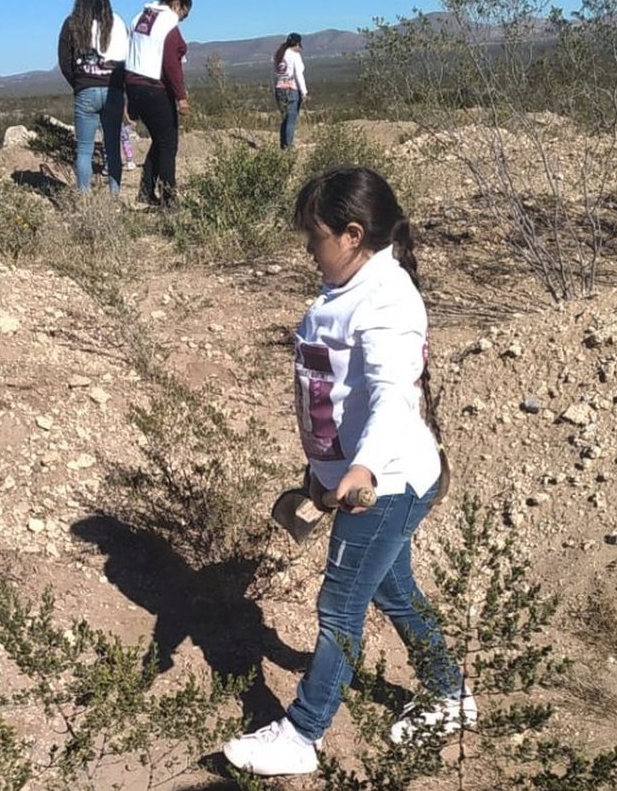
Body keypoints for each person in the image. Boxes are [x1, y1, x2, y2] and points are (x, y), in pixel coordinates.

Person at [222, 167, 475, 776]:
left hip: (384, 485)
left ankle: (302, 733)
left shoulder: (387, 299)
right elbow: (334, 396)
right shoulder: (349, 288)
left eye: (315, 239)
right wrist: (320, 473)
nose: (310, 251)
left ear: (354, 234)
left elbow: (392, 396)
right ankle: (451, 693)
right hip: (358, 479)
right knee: (392, 590)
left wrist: (358, 469)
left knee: (339, 606)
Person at [57, 0, 128, 195]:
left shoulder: (72, 24)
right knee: (113, 148)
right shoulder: (116, 22)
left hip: (85, 90)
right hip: (113, 88)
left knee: (85, 149)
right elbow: (125, 60)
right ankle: (114, 198)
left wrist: (79, 83)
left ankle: (84, 200)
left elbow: (64, 61)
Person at [125, 0, 191, 208]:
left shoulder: (139, 17)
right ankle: (169, 199)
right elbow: (172, 64)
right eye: (184, 14)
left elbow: (130, 53)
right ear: (178, 6)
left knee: (159, 140)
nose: (182, 19)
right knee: (168, 143)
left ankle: (145, 192)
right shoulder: (168, 24)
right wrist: (181, 97)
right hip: (154, 87)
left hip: (134, 85)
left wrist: (129, 102)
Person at [273, 32, 308, 149]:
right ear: (297, 44)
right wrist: (304, 91)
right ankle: (288, 147)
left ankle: (283, 146)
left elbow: (276, 74)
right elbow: (298, 74)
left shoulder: (278, 55)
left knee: (284, 119)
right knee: (291, 120)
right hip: (291, 89)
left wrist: (275, 88)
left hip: (279, 88)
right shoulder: (294, 55)